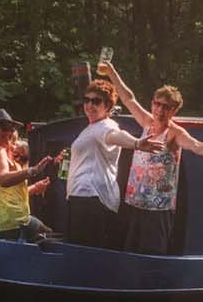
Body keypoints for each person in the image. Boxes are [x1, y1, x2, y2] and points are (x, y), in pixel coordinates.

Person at [99, 61, 203, 254]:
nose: (160, 111)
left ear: (174, 110)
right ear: (152, 104)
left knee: (152, 256)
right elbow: (128, 98)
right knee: (130, 252)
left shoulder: (175, 134)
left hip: (158, 209)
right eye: (157, 104)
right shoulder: (146, 122)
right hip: (134, 203)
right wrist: (111, 72)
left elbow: (197, 146)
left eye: (167, 107)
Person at [67, 79, 163, 249]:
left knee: (86, 256)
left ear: (108, 107)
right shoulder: (90, 128)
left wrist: (137, 143)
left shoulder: (105, 125)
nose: (89, 105)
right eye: (87, 100)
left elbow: (115, 136)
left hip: (92, 198)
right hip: (82, 197)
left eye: (96, 101)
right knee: (81, 254)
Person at [0, 108, 57, 241]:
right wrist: (32, 171)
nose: (9, 132)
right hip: (3, 226)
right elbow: (3, 179)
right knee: (51, 238)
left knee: (45, 231)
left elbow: (2, 193)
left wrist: (33, 188)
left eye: (12, 128)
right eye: (4, 127)